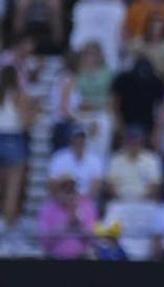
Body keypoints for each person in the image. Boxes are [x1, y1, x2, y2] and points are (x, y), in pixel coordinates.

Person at [0, 65, 34, 230]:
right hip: (14, 139)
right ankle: (7, 226)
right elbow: (26, 123)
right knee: (12, 189)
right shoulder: (20, 95)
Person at [38, 175, 97, 259]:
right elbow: (45, 242)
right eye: (65, 189)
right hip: (54, 257)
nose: (69, 194)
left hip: (81, 257)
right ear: (57, 191)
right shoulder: (48, 208)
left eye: (71, 189)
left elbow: (93, 240)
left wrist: (78, 225)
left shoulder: (87, 206)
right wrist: (66, 225)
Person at [48, 125, 103, 200]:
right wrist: (64, 200)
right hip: (61, 200)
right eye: (76, 139)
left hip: (85, 201)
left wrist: (80, 201)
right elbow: (52, 184)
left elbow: (96, 186)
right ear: (71, 140)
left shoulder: (95, 160)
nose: (79, 142)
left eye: (81, 139)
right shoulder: (59, 157)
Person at [106, 126, 161, 201]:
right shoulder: (115, 159)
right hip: (120, 201)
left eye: (136, 141)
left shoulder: (151, 159)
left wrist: (139, 199)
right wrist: (122, 198)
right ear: (125, 142)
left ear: (142, 142)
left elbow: (154, 185)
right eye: (130, 141)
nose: (133, 144)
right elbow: (110, 185)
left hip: (145, 201)